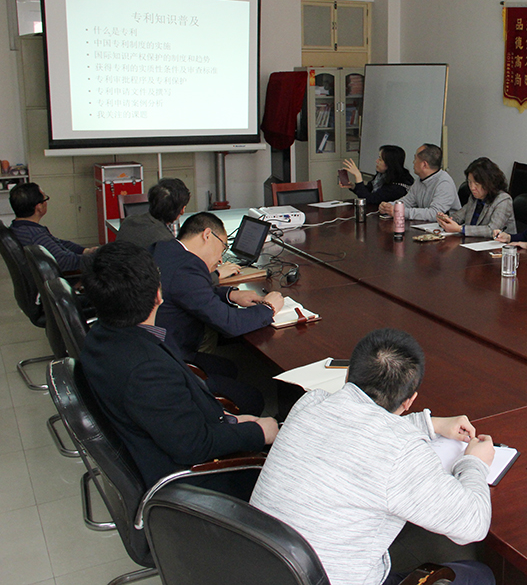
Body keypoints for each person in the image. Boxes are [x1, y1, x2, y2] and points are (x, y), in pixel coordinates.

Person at [251, 328, 495, 585]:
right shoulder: (401, 451)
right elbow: (474, 524)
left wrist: (429, 424)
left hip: (262, 567)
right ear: (409, 400)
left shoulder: (310, 403)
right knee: (480, 575)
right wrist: (475, 463)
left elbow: (358, 429)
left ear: (348, 374)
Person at [79, 242, 277, 498]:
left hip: (169, 438)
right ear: (158, 296)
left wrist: (230, 420)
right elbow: (193, 446)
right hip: (192, 484)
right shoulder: (147, 370)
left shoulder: (100, 335)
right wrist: (258, 433)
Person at [152, 212, 283, 416]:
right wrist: (268, 308)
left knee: (228, 368)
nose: (221, 258)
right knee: (254, 400)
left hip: (157, 346)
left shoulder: (165, 249)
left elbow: (189, 292)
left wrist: (231, 295)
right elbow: (229, 323)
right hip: (170, 360)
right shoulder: (186, 268)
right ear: (207, 235)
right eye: (223, 247)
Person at [9, 181, 98, 273]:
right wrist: (101, 257)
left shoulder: (19, 227)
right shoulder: (35, 235)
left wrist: (84, 251)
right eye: (45, 198)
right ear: (39, 207)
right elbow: (66, 262)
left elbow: (57, 242)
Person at [378, 144, 461, 221]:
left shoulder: (444, 183)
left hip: (444, 229)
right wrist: (389, 206)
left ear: (424, 165)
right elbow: (408, 201)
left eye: (415, 159)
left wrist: (400, 211)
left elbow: (435, 214)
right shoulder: (420, 180)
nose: (413, 162)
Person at [435, 157, 515, 237]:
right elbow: (458, 217)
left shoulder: (503, 200)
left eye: (477, 183)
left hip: (498, 244)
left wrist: (460, 229)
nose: (472, 187)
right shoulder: (474, 198)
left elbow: (492, 230)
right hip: (473, 241)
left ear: (489, 183)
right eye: (470, 182)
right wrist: (446, 220)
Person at [342, 145, 414, 208]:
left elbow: (370, 199)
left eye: (380, 159)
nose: (376, 161)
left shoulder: (398, 186)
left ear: (390, 163)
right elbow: (369, 190)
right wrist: (354, 187)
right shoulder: (382, 176)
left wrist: (358, 176)